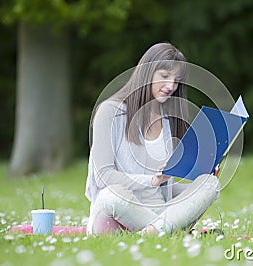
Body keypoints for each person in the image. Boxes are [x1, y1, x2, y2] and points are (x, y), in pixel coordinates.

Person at [85, 42, 221, 235]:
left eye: (176, 80)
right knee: (112, 195)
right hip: (120, 208)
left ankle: (153, 232)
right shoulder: (110, 112)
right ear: (147, 73)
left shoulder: (166, 122)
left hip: (158, 211)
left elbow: (164, 189)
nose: (171, 86)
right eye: (165, 76)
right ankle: (171, 230)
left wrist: (201, 177)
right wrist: (151, 181)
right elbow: (103, 176)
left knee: (210, 184)